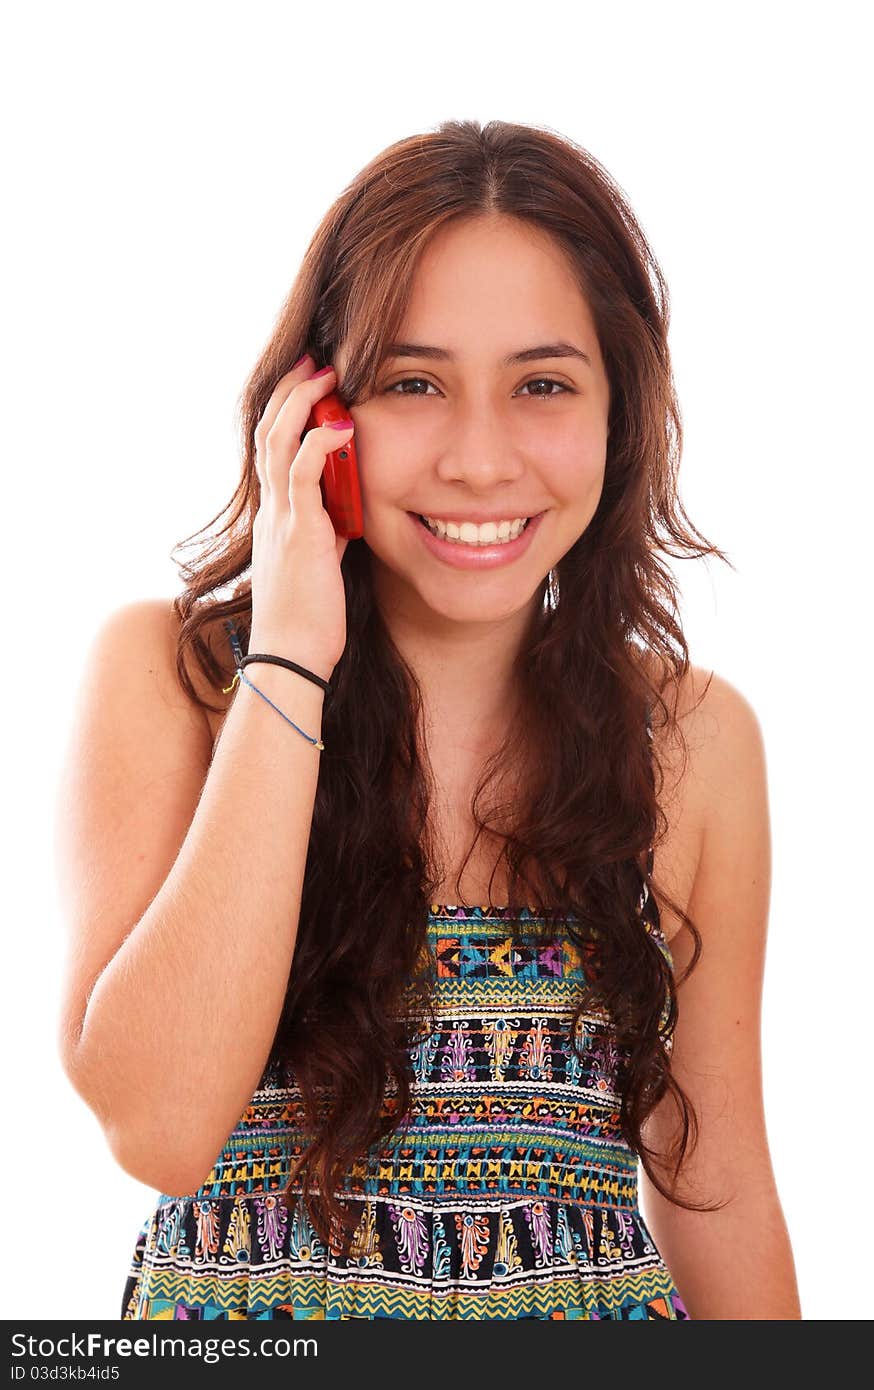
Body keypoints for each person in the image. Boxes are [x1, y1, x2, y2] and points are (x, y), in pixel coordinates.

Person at [55, 118, 800, 1320]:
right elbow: (160, 1127)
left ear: (621, 410)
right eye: (413, 383)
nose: (478, 459)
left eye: (542, 385)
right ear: (316, 408)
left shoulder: (698, 739)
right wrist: (290, 659)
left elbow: (716, 1182)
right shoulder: (175, 679)